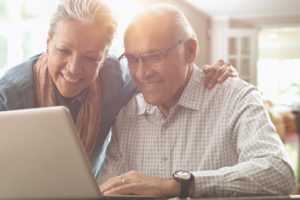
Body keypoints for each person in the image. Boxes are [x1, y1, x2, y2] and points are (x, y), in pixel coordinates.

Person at [0, 0, 237, 177]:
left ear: (104, 57)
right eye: (63, 50)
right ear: (48, 41)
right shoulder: (10, 93)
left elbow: (165, 76)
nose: (74, 68)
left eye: (90, 58)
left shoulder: (115, 78)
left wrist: (211, 72)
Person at [98, 4, 296, 198]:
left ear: (190, 50)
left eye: (155, 56)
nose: (142, 73)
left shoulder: (235, 97)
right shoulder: (128, 114)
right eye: (132, 59)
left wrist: (176, 186)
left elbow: (279, 172)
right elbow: (104, 189)